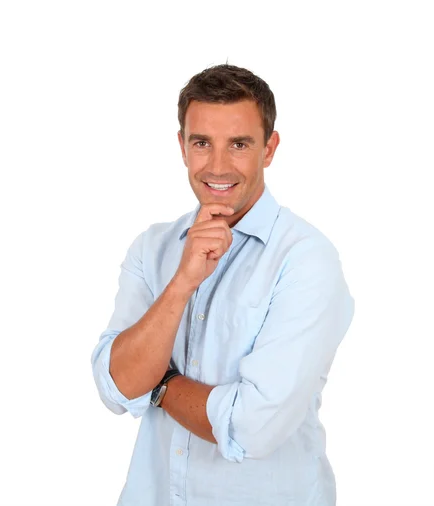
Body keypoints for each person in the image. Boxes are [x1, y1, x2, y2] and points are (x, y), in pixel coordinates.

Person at [90, 64, 355, 506]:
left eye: (238, 144)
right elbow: (115, 385)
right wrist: (182, 283)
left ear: (269, 148)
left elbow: (253, 426)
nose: (217, 166)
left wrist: (157, 384)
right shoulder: (153, 248)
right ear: (181, 146)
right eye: (201, 143)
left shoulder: (306, 259)